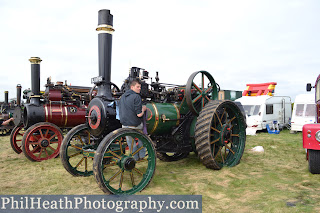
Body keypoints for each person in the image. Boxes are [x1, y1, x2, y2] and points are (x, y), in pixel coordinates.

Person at [119, 80, 146, 160]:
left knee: (131, 141)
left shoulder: (123, 96)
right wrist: (143, 109)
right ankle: (142, 155)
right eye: (137, 87)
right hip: (134, 125)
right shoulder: (136, 97)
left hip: (124, 125)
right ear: (132, 87)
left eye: (140, 87)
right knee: (143, 136)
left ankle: (135, 157)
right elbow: (139, 114)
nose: (139, 89)